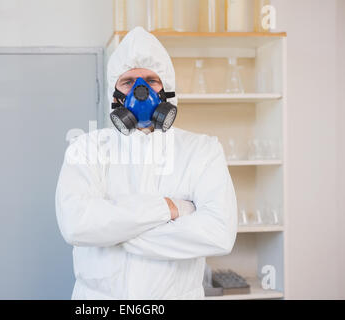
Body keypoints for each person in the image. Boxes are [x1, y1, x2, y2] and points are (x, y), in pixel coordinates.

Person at [55, 26, 237, 300]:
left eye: (151, 80)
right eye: (128, 82)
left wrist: (114, 234)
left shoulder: (202, 150)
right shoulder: (86, 149)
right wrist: (171, 207)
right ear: (113, 93)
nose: (141, 92)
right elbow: (76, 224)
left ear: (167, 88)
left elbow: (219, 233)